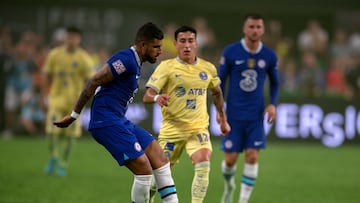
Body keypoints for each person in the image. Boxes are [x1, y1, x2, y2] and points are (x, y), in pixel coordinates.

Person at [53, 22, 178, 203]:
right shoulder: (126, 59)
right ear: (143, 45)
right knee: (143, 169)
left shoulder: (136, 62)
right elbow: (94, 80)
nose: (160, 51)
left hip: (118, 119)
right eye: (156, 47)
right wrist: (74, 115)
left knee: (160, 158)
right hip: (105, 122)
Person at [143, 25, 231, 203]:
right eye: (182, 41)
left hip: (197, 128)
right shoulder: (166, 67)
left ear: (196, 43)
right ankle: (147, 199)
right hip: (171, 129)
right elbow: (147, 95)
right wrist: (157, 97)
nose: (187, 45)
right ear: (175, 44)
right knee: (157, 178)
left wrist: (222, 118)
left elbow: (217, 93)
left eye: (190, 41)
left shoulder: (208, 68)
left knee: (204, 161)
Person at [217, 14, 280, 203]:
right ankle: (229, 187)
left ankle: (243, 201)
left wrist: (272, 104)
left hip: (255, 116)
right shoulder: (231, 52)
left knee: (252, 157)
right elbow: (220, 83)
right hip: (233, 116)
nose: (255, 30)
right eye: (251, 26)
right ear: (244, 29)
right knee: (230, 160)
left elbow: (275, 84)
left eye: (258, 27)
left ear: (263, 30)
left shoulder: (269, 55)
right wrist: (221, 112)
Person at [41, 26, 95, 176]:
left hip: (74, 104)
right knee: (52, 132)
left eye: (74, 37)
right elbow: (47, 75)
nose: (71, 40)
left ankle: (63, 164)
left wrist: (85, 99)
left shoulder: (84, 58)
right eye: (69, 36)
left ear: (79, 39)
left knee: (71, 136)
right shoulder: (55, 54)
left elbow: (91, 81)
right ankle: (53, 157)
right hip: (56, 100)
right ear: (65, 37)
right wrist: (43, 96)